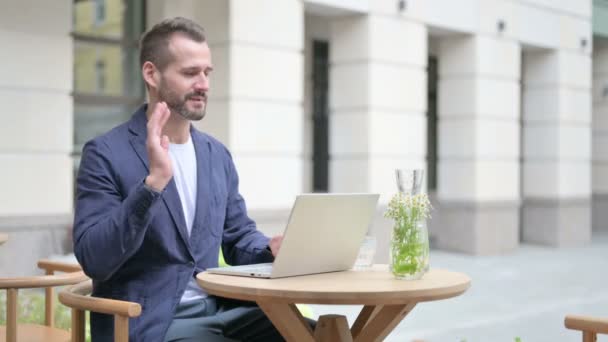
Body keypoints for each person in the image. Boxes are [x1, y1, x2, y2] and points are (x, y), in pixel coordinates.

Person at [73, 17, 295, 342]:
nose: (203, 83)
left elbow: (237, 237)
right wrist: (152, 185)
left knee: (316, 334)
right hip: (151, 322)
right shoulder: (105, 153)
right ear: (152, 74)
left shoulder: (216, 155)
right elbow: (95, 258)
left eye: (207, 72)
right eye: (190, 72)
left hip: (223, 309)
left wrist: (271, 248)